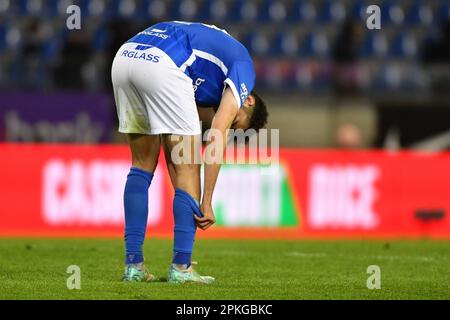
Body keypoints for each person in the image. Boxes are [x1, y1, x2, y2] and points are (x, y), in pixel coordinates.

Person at [111, 21, 268, 283]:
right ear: (248, 100)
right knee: (189, 167)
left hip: (126, 56)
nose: (230, 123)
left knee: (141, 165)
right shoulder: (244, 69)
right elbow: (217, 132)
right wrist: (206, 200)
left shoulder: (207, 82)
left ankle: (133, 267)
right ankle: (181, 269)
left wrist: (185, 189)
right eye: (236, 122)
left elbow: (172, 142)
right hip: (165, 63)